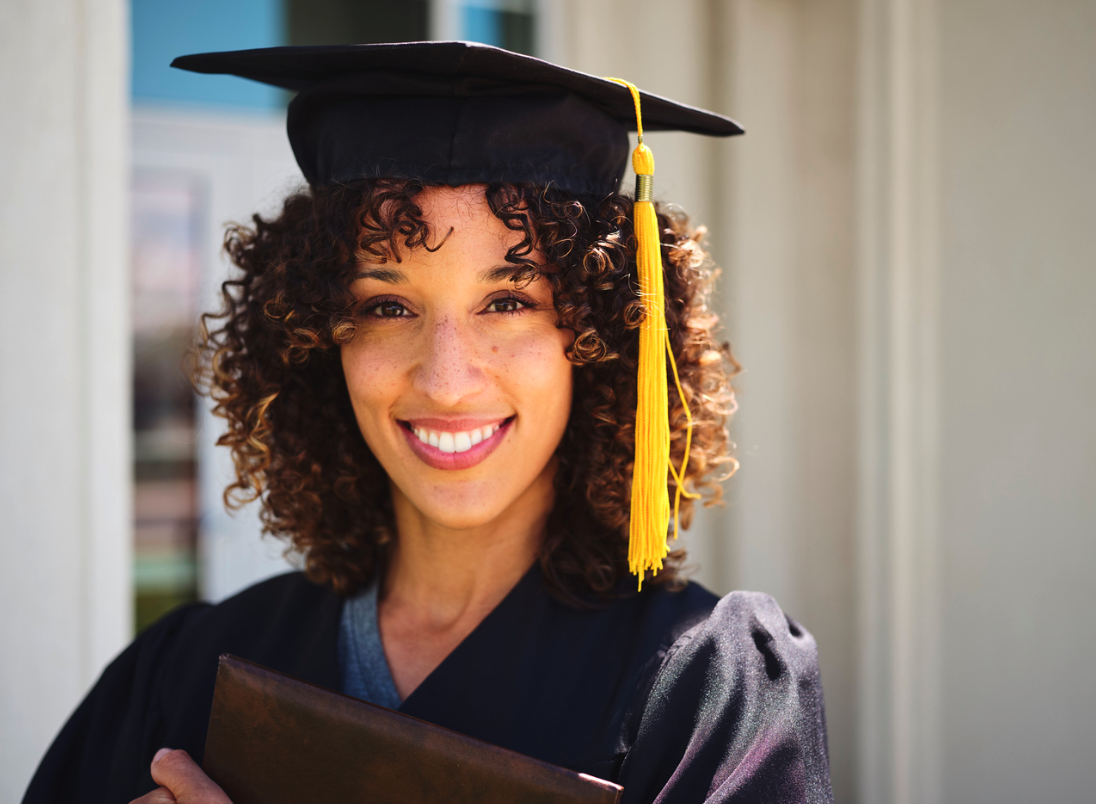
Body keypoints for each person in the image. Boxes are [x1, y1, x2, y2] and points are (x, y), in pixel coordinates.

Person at [23, 42, 833, 804]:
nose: (446, 380)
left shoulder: (710, 687)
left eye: (509, 301)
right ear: (314, 339)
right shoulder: (189, 672)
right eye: (386, 305)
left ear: (601, 336)